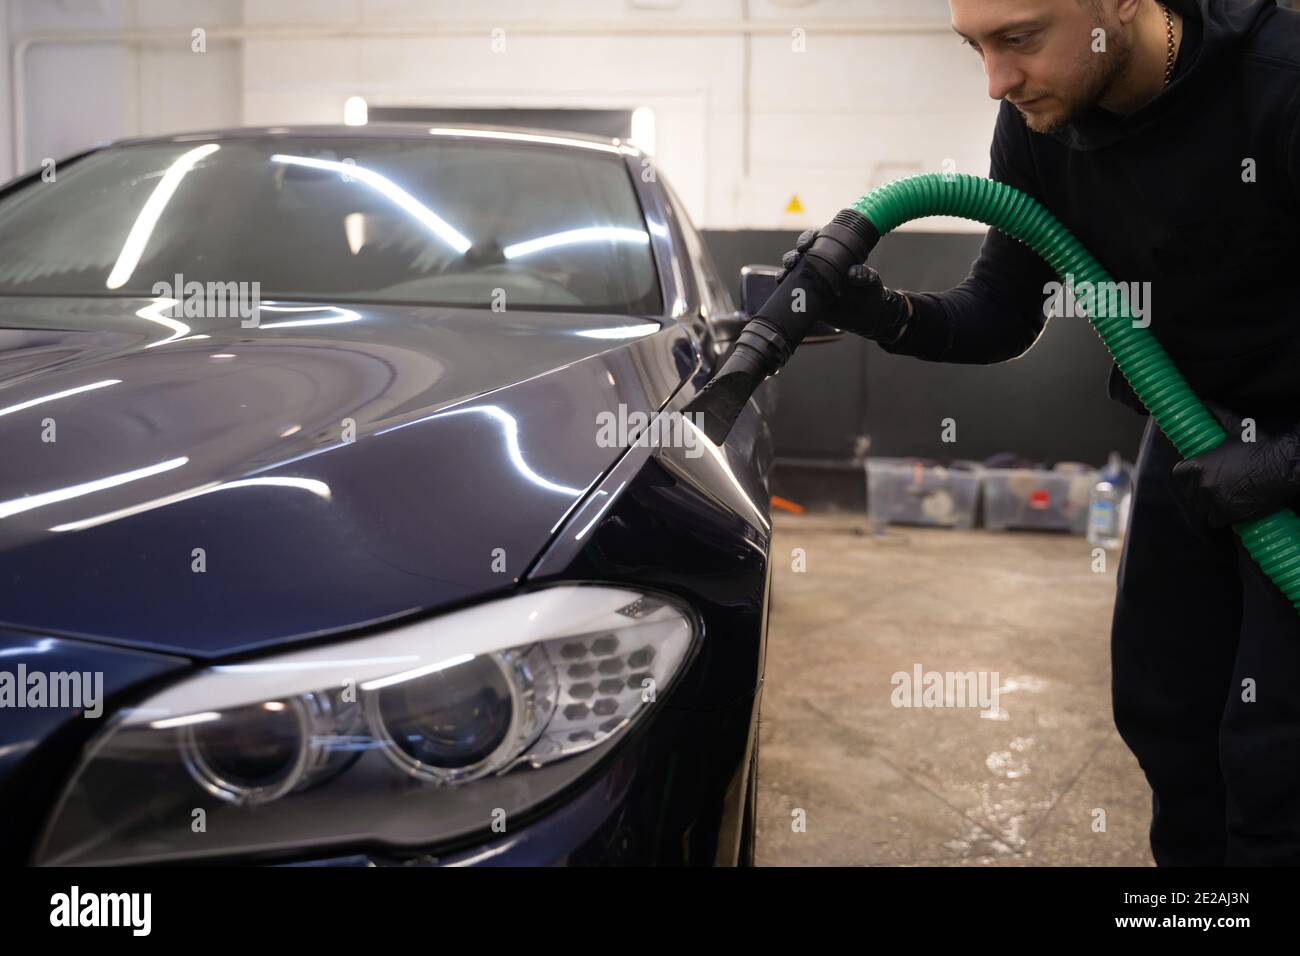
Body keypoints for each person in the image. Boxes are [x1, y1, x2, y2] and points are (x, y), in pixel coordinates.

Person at [779, 0, 1300, 865]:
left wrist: (1286, 462)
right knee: (1166, 715)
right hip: (1191, 428)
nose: (997, 80)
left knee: (1277, 752)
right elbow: (1000, 313)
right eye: (974, 46)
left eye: (1020, 39)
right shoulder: (1036, 124)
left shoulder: (1280, 88)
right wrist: (885, 314)